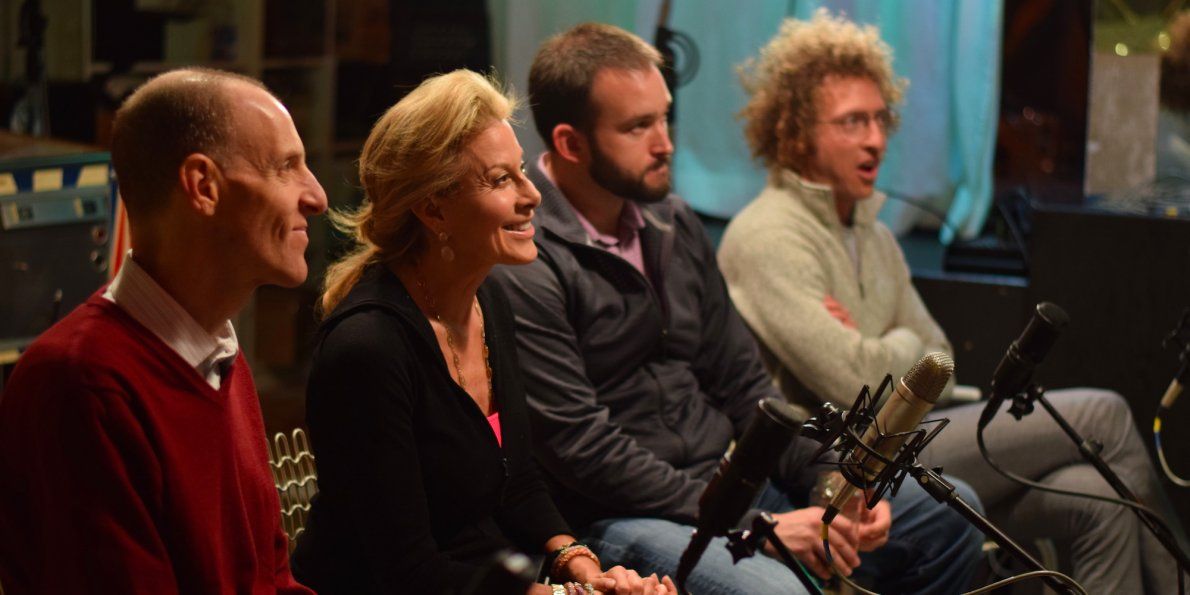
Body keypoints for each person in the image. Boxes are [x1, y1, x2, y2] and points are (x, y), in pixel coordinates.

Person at [490, 23, 983, 594]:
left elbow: (747, 387)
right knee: (776, 592)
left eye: (665, 118)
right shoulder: (526, 258)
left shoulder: (673, 221)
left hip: (727, 484)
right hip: (620, 515)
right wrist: (754, 525)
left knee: (949, 515)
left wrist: (833, 482)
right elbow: (583, 450)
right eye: (638, 127)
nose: (665, 143)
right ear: (571, 144)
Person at [718, 10, 1187, 593]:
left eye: (880, 119)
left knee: (1094, 497)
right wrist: (896, 344)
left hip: (912, 445)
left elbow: (938, 360)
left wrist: (878, 345)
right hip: (841, 467)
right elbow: (854, 380)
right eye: (852, 122)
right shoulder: (767, 234)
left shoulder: (875, 236)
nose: (875, 139)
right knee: (1106, 414)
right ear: (796, 133)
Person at [288, 69, 676, 595]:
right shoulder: (367, 349)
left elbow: (519, 482)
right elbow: (407, 572)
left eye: (522, 170)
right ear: (433, 209)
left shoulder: (487, 300)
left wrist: (585, 569)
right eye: (500, 180)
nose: (531, 195)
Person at [0, 68, 327, 593]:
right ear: (203, 186)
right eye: (286, 167)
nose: (317, 196)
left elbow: (271, 580)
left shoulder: (218, 358)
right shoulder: (81, 383)